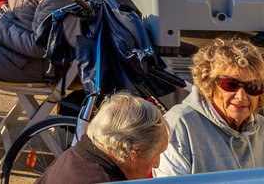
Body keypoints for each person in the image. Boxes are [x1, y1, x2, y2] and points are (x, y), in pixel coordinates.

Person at [155, 37, 264, 176]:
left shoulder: (261, 128)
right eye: (231, 84)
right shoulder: (179, 126)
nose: (241, 96)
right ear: (209, 85)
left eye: (252, 87)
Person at [39, 92, 169, 183]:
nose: (157, 164)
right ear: (135, 152)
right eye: (157, 154)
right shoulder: (104, 179)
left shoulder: (76, 154)